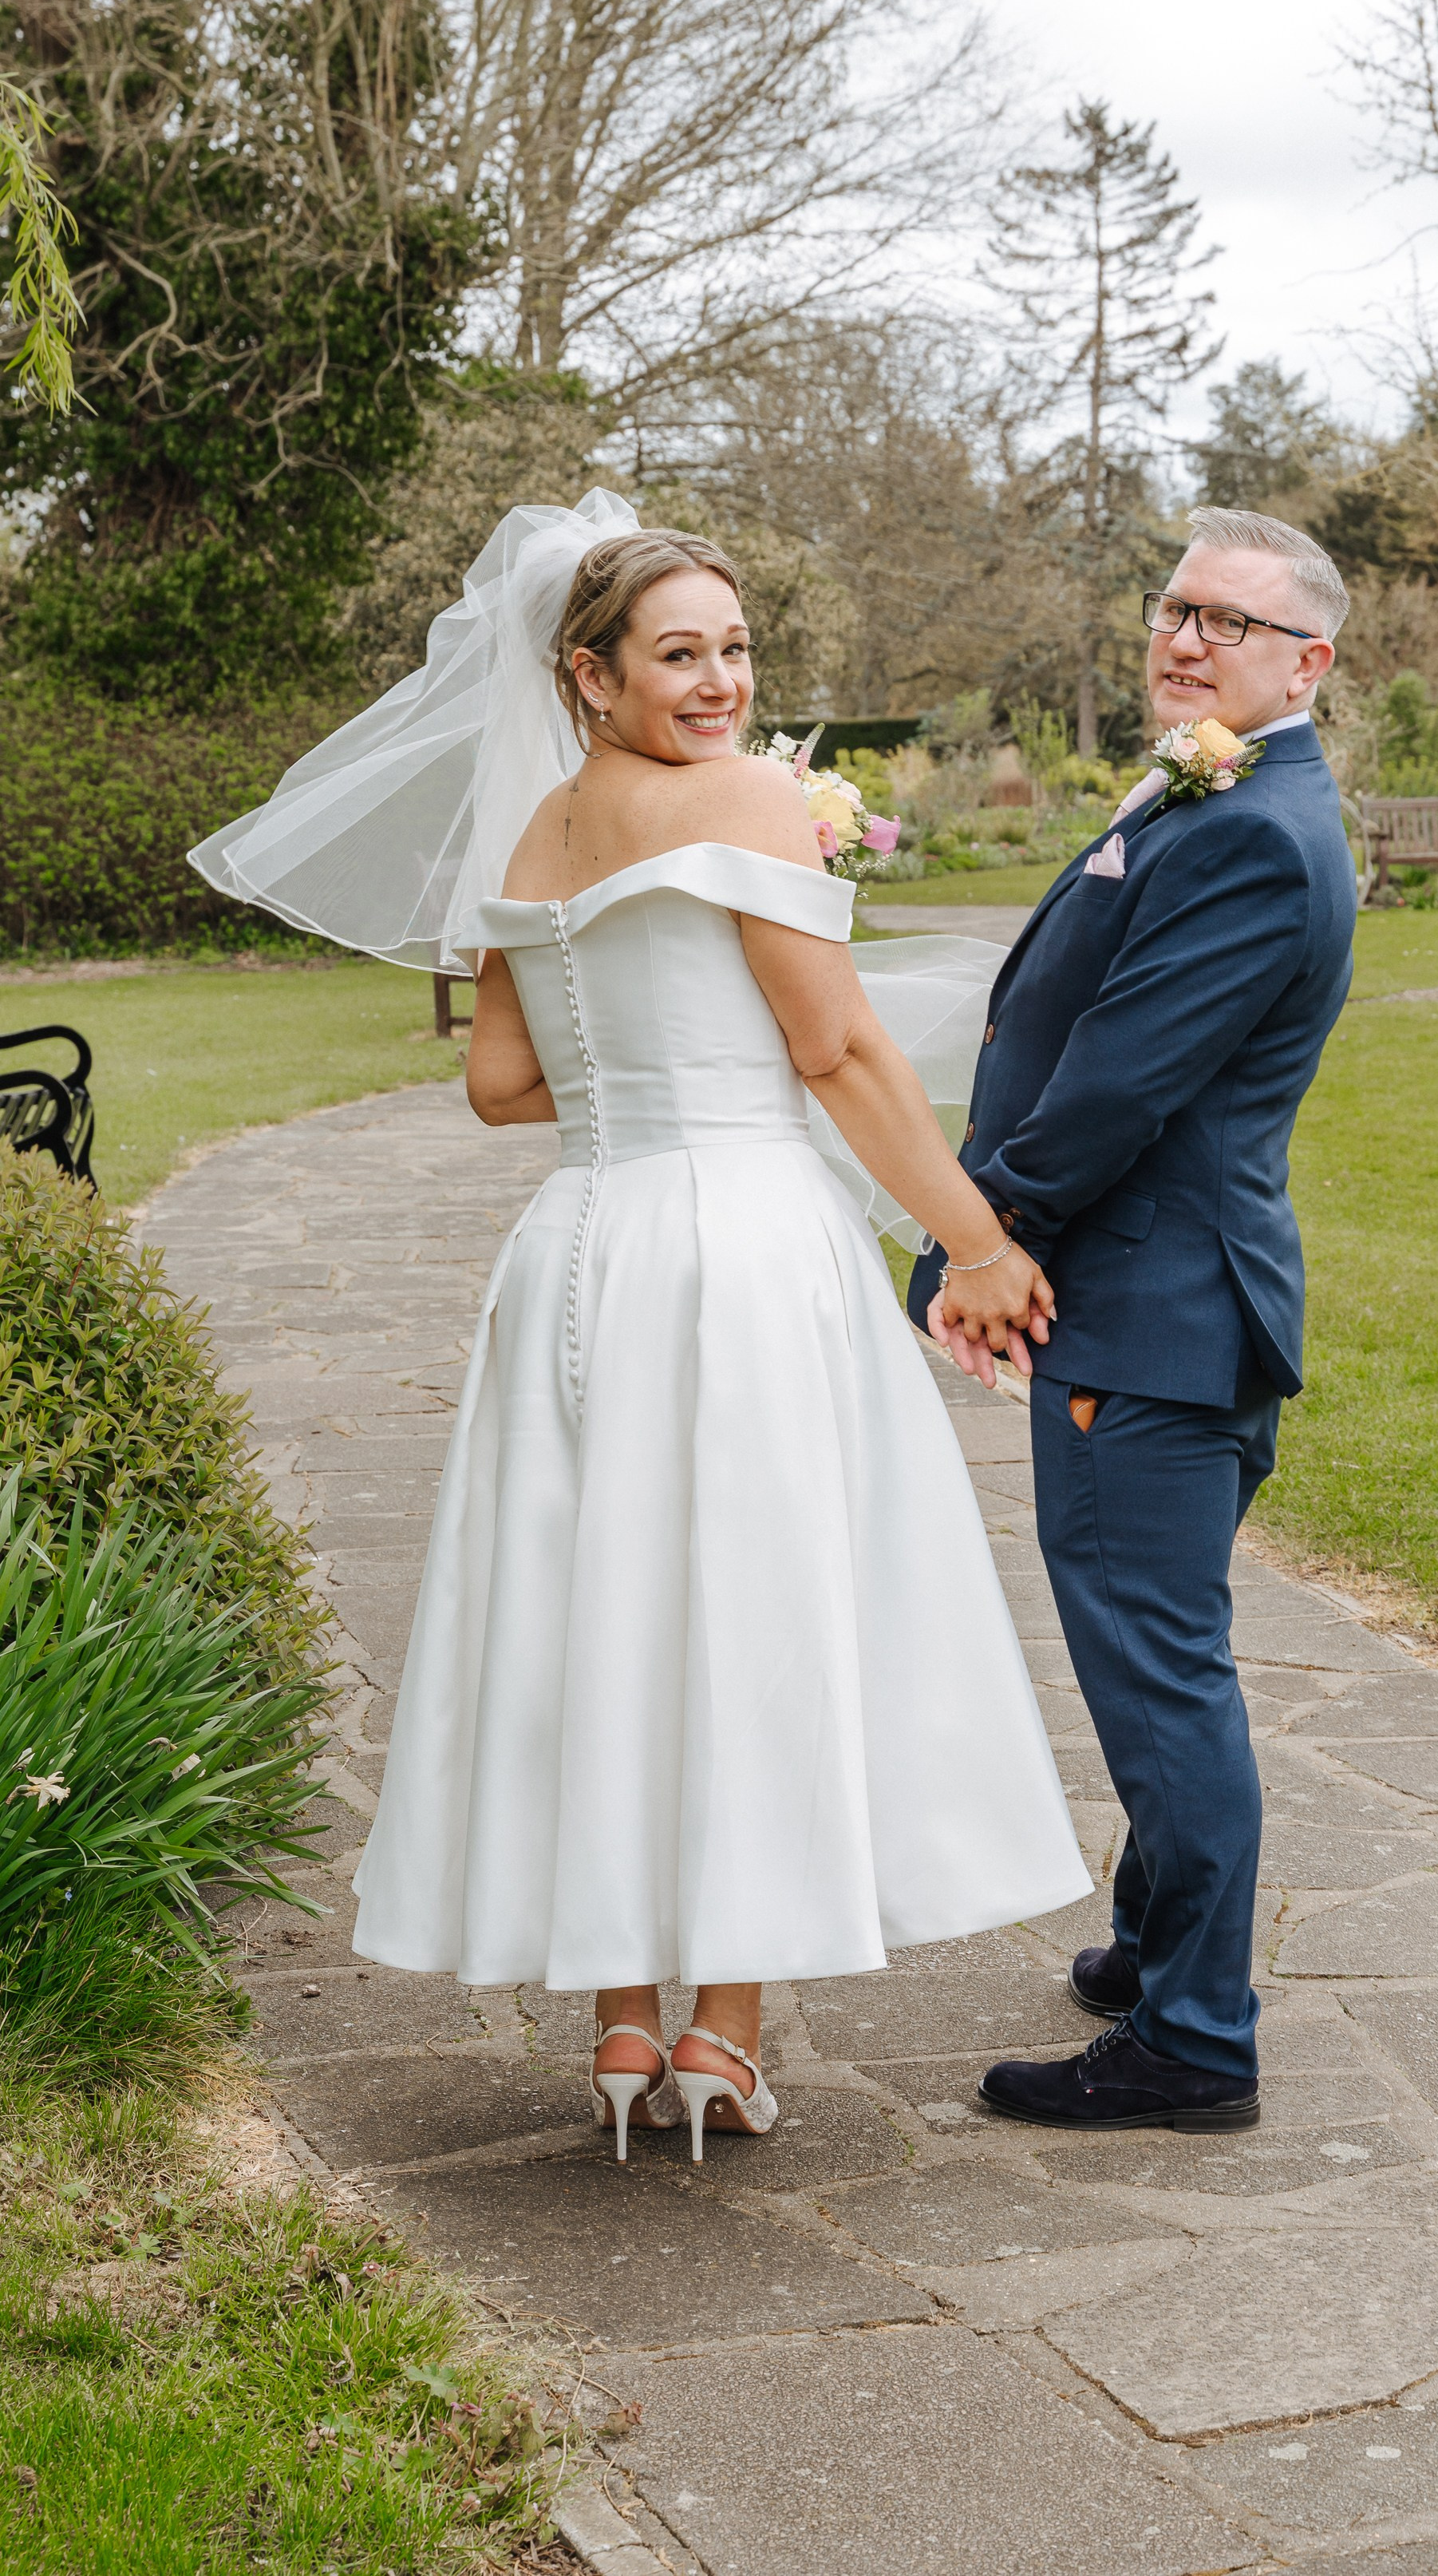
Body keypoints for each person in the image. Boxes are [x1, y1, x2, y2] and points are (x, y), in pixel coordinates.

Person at [192, 502, 1088, 2162]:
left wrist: (655, 1066)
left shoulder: (531, 833)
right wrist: (971, 1240)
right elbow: (833, 1058)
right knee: (746, 1607)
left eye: (735, 648)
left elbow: (498, 1087)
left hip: (580, 1252)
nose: (723, 681)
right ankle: (720, 2037)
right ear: (587, 672)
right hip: (740, 1247)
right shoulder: (751, 803)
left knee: (596, 1598)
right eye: (680, 653)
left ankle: (617, 2017)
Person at [912, 506, 1357, 2135]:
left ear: (1306, 662)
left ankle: (1194, 2042)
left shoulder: (1251, 823)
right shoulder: (1213, 781)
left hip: (1151, 1311)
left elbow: (1115, 1082)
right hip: (1170, 1296)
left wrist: (974, 1236)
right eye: (1175, 606)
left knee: (1161, 1676)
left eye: (1227, 621)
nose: (1184, 636)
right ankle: (1152, 1939)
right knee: (1157, 1653)